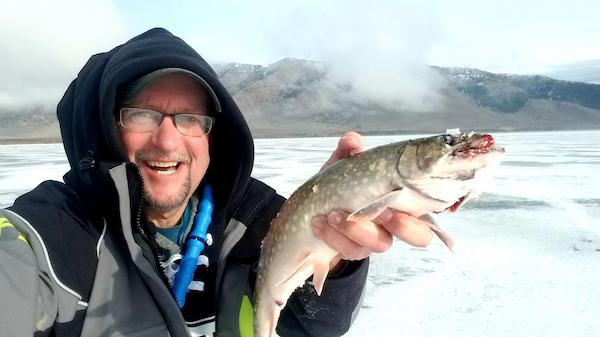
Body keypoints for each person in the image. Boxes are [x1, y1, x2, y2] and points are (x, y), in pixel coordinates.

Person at [0, 28, 435, 337]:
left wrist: (327, 246)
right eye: (142, 115)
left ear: (213, 137)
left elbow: (316, 325)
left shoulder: (254, 220)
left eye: (191, 119)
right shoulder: (54, 236)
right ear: (109, 129)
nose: (168, 140)